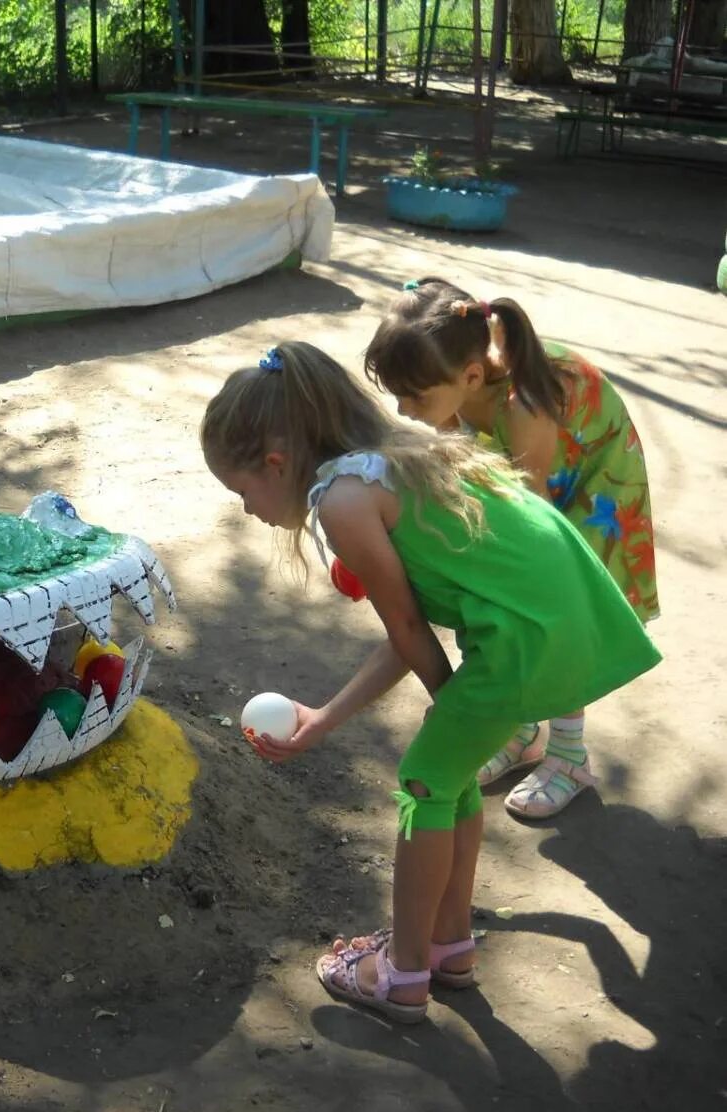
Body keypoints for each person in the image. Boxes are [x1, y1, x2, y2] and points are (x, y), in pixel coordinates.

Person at [199, 342, 658, 1024]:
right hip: (559, 620)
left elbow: (411, 632)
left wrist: (447, 704)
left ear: (274, 462)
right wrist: (326, 717)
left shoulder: (343, 501)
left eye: (242, 491)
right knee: (452, 772)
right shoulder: (399, 453)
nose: (246, 509)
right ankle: (450, 946)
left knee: (423, 779)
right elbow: (406, 634)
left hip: (527, 640)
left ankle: (402, 973)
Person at [365, 278, 658, 817]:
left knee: (552, 618)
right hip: (537, 483)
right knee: (498, 596)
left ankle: (569, 755)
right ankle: (522, 729)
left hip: (592, 489)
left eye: (415, 396)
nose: (405, 411)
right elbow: (464, 462)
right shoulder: (460, 382)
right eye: (398, 395)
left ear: (471, 376)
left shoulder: (522, 406)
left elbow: (533, 522)